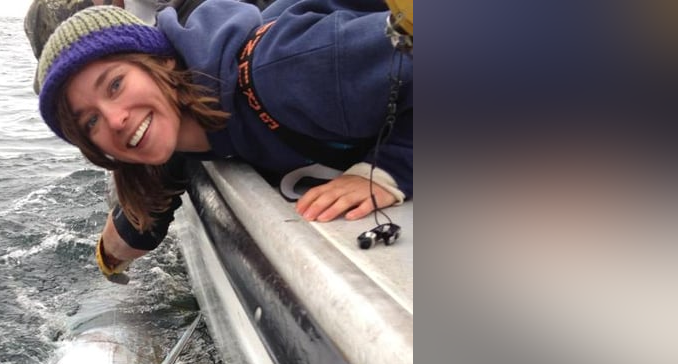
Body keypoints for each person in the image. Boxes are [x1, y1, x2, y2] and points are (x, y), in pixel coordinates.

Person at [28, 0, 413, 279]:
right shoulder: (178, 131)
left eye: (115, 84)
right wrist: (107, 262)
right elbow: (147, 207)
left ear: (161, 62)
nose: (115, 120)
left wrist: (390, 169)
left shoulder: (285, 72)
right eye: (90, 120)